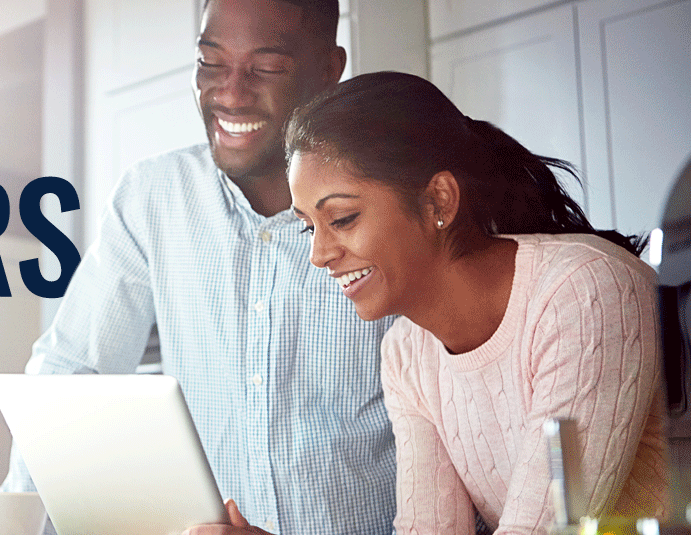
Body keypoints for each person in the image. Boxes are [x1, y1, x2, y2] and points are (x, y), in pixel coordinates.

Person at [0, 0, 399, 535]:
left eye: (267, 68)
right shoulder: (152, 196)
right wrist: (13, 520)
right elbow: (73, 368)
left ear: (330, 69)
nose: (231, 93)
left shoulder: (386, 200)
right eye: (210, 62)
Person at [282, 71, 669, 534]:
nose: (319, 254)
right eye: (308, 226)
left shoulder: (583, 290)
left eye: (342, 218)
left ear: (438, 201)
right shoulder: (406, 352)